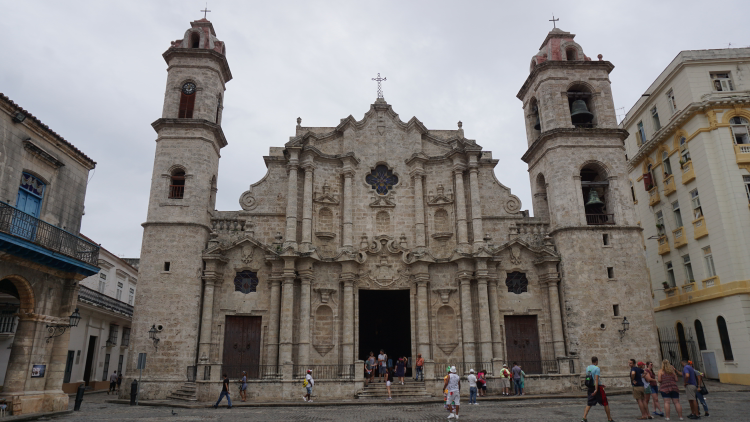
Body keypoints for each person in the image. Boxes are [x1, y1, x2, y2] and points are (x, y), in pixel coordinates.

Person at [582, 356, 613, 422]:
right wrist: (596, 389)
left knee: (589, 403)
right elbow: (596, 379)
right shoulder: (597, 368)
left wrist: (600, 384)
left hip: (590, 387)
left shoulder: (588, 368)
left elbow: (590, 378)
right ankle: (609, 419)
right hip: (597, 387)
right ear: (596, 361)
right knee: (605, 402)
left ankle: (584, 418)